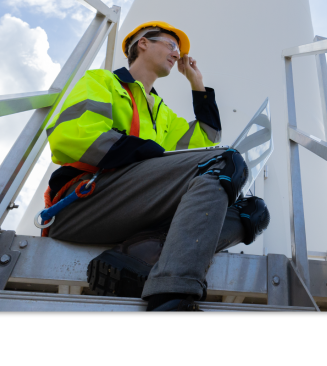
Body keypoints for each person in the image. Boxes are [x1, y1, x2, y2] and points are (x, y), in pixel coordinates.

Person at [42, 22, 270, 312]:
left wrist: (197, 85)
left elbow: (206, 142)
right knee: (225, 161)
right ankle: (171, 296)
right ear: (143, 43)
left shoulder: (162, 113)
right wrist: (149, 155)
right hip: (84, 203)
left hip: (136, 207)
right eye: (171, 45)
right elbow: (71, 136)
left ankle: (141, 254)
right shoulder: (103, 82)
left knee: (254, 211)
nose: (177, 54)